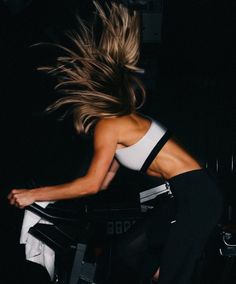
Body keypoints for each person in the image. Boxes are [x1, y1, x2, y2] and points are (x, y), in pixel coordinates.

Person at [8, 1, 223, 283]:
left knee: (174, 275)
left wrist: (33, 195)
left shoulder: (110, 125)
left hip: (195, 197)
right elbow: (103, 182)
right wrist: (51, 197)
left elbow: (92, 183)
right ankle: (164, 271)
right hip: (181, 196)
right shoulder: (123, 123)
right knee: (127, 250)